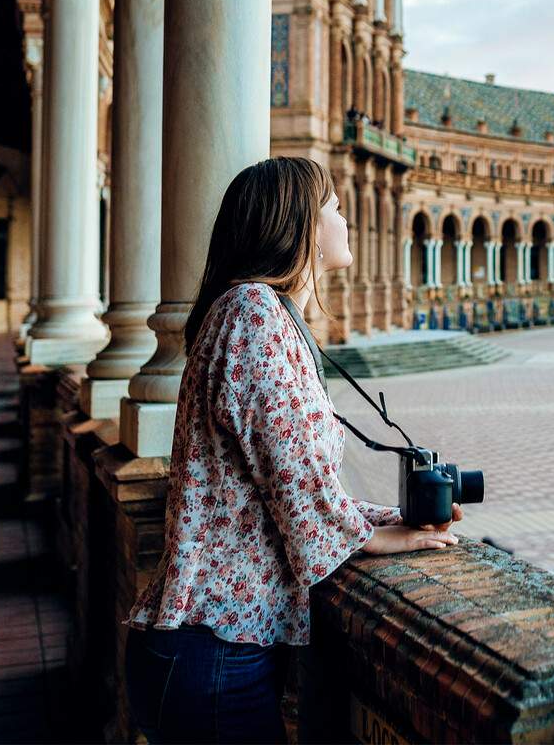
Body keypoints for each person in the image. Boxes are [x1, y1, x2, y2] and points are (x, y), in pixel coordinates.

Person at [123, 157, 463, 743]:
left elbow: (282, 486)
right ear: (299, 223)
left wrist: (386, 518)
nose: (344, 217)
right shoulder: (254, 315)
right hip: (216, 656)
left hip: (213, 650)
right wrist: (374, 536)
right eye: (332, 206)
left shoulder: (258, 314)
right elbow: (302, 503)